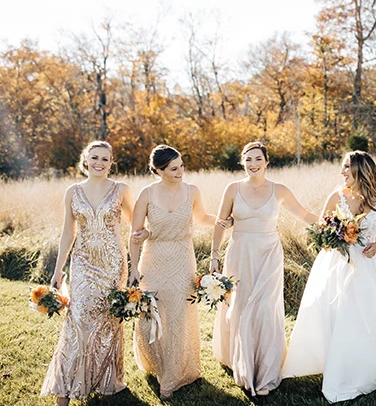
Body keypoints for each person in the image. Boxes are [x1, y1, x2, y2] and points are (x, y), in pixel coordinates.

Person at [282, 151, 376, 403]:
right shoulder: (337, 196)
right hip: (336, 263)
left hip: (367, 265)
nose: (342, 172)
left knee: (366, 316)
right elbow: (322, 227)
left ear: (361, 170)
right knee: (338, 314)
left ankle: (366, 364)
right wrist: (332, 237)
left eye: (346, 167)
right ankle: (338, 365)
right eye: (342, 167)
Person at [211, 142, 318, 396]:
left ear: (266, 161)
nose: (252, 164)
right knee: (242, 307)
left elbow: (303, 215)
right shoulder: (232, 189)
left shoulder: (279, 190)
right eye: (247, 159)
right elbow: (220, 223)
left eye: (257, 158)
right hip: (240, 255)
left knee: (265, 309)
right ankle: (245, 365)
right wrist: (214, 255)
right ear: (242, 162)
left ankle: (267, 371)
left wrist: (334, 223)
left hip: (269, 255)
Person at [41, 141, 140, 405]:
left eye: (105, 159)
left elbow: (136, 226)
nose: (100, 163)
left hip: (112, 264)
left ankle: (107, 381)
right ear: (86, 160)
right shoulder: (72, 192)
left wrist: (139, 254)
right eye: (94, 157)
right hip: (83, 263)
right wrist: (58, 268)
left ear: (111, 162)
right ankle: (66, 388)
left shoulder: (122, 190)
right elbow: (67, 233)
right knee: (78, 321)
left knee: (109, 322)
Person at [128, 145, 218, 399]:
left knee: (179, 315)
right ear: (158, 170)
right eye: (174, 168)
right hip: (153, 260)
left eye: (181, 166)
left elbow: (201, 218)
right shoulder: (146, 194)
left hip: (182, 258)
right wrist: (133, 268)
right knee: (152, 316)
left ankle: (173, 376)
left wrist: (224, 220)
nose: (181, 171)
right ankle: (157, 363)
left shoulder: (192, 191)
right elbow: (135, 236)